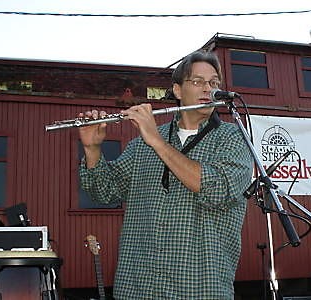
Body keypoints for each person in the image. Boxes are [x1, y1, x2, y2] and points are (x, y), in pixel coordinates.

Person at [79, 50, 253, 299]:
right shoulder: (141, 145)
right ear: (178, 91)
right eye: (198, 81)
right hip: (138, 288)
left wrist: (158, 143)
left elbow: (217, 189)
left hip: (199, 288)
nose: (208, 89)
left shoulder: (233, 138)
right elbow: (104, 192)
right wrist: (92, 149)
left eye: (214, 83)